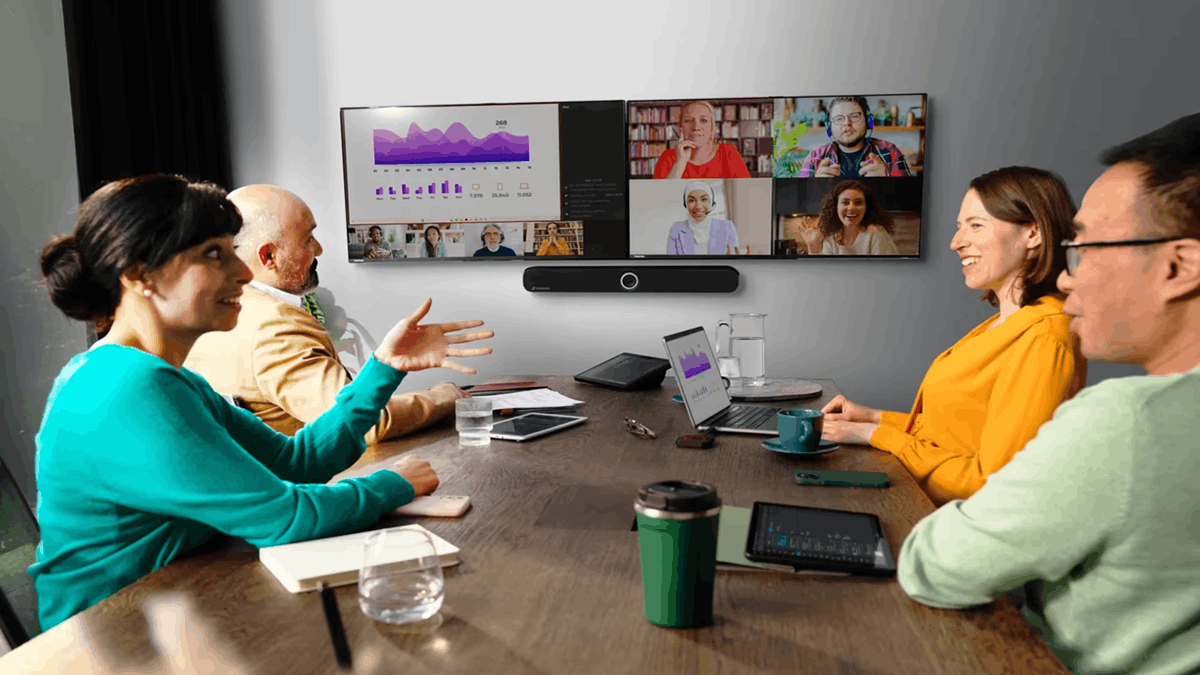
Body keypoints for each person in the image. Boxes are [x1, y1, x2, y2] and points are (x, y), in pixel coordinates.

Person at [29, 174, 493, 630]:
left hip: (164, 611)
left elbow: (297, 460)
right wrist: (393, 484)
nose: (246, 272)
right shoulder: (126, 387)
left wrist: (384, 367)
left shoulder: (157, 377)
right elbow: (285, 518)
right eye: (215, 254)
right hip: (100, 641)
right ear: (139, 276)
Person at [896, 115, 1200, 675]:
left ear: (1179, 265)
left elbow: (936, 564)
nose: (1067, 277)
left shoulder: (1127, 420)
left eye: (1086, 248)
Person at [820, 167, 1086, 504]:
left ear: (1033, 233)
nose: (956, 242)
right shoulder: (1004, 324)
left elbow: (991, 486)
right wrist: (872, 417)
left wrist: (875, 435)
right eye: (960, 227)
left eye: (976, 225)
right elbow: (953, 436)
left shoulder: (1044, 337)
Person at [185, 185, 467, 443]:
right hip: (310, 486)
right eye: (308, 239)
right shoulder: (274, 325)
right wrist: (444, 395)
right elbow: (363, 423)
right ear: (268, 256)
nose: (319, 248)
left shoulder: (209, 312)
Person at [796, 96, 910, 178]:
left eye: (854, 116)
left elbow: (910, 203)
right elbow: (800, 204)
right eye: (839, 119)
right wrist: (815, 186)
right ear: (829, 127)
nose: (847, 123)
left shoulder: (890, 151)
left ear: (868, 122)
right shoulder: (815, 157)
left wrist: (888, 180)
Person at [653, 100, 752, 180]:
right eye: (688, 120)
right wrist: (680, 163)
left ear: (712, 128)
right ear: (680, 128)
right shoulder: (667, 158)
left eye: (703, 121)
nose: (696, 127)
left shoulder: (729, 153)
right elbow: (662, 201)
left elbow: (745, 195)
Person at [800, 179, 901, 255]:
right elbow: (823, 273)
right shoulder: (831, 238)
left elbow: (887, 271)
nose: (851, 208)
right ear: (835, 207)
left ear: (866, 207)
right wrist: (813, 245)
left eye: (858, 202)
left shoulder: (875, 234)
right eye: (845, 202)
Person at [666, 181, 750, 255]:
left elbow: (733, 261)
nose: (698, 206)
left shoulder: (727, 227)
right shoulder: (676, 229)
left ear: (711, 203)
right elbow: (671, 265)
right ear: (685, 204)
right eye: (691, 201)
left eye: (704, 199)